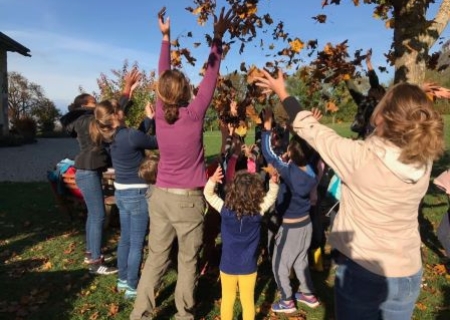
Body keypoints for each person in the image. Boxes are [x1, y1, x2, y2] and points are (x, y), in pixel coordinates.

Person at [255, 69, 445, 320]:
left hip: (364, 272)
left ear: (385, 115)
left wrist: (282, 91)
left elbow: (310, 128)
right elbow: (411, 122)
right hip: (408, 271)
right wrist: (419, 96)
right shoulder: (425, 157)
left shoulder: (359, 157)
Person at [130, 8, 235, 320]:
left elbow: (165, 71)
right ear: (188, 92)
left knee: (156, 258)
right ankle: (183, 315)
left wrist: (165, 38)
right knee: (188, 261)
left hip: (160, 196)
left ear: (161, 94)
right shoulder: (194, 113)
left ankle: (141, 314)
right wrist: (217, 38)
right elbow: (211, 76)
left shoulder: (161, 113)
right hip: (187, 200)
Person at [60, 70, 140, 275]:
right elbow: (110, 116)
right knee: (97, 216)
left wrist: (127, 92)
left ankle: (90, 252)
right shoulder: (87, 120)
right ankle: (96, 262)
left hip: (86, 170)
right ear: (84, 106)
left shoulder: (82, 120)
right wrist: (126, 91)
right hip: (87, 171)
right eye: (93, 102)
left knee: (93, 215)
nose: (97, 105)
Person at [90, 99, 158, 299]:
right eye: (120, 109)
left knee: (126, 239)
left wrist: (148, 119)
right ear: (116, 115)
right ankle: (132, 286)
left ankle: (123, 280)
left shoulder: (110, 137)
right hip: (137, 194)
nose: (123, 109)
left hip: (121, 193)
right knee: (137, 243)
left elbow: (136, 137)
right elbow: (155, 142)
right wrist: (160, 122)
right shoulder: (130, 135)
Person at [260, 108, 320, 313]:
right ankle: (307, 293)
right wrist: (310, 127)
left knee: (279, 265)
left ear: (292, 154)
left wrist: (267, 128)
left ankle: (286, 299)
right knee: (301, 260)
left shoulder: (290, 172)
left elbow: (268, 153)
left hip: (291, 229)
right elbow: (308, 149)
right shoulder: (310, 170)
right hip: (306, 225)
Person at [204, 166, 279, 320]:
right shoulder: (258, 211)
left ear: (232, 191)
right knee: (247, 301)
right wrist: (274, 182)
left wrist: (212, 180)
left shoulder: (225, 210)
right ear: (256, 193)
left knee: (227, 299)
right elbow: (271, 197)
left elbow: (208, 195)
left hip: (227, 265)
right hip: (248, 266)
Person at [345, 49, 386, 139]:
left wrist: (346, 76)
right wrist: (346, 76)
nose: (370, 90)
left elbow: (373, 81)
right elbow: (353, 90)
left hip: (372, 137)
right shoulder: (365, 101)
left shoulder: (369, 101)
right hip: (372, 137)